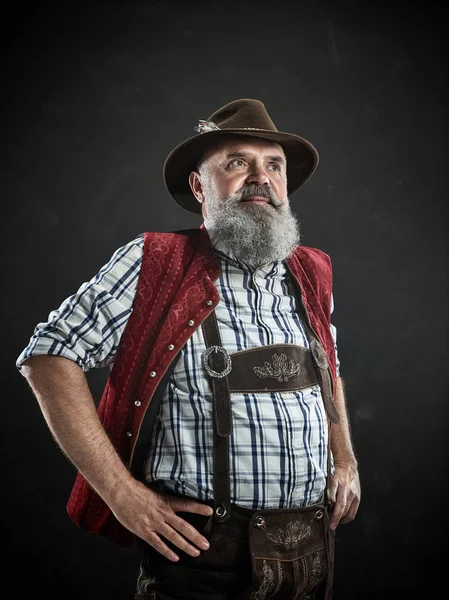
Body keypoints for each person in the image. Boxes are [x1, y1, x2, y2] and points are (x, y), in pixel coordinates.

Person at [17, 98, 361, 600]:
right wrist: (120, 493)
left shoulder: (311, 271)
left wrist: (345, 457)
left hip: (311, 554)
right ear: (200, 186)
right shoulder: (159, 262)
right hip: (203, 561)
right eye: (237, 162)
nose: (259, 177)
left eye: (274, 165)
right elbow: (49, 354)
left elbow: (327, 368)